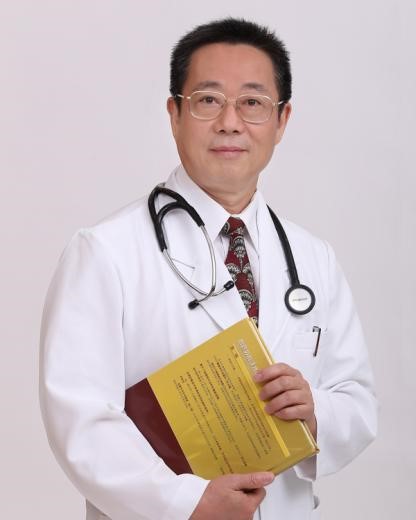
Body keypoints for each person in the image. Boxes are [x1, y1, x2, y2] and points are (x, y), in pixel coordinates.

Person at [40, 18, 377, 520]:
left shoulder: (314, 257)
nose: (230, 122)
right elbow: (81, 420)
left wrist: (315, 410)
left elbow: (356, 400)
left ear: (282, 120)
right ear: (174, 113)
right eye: (208, 100)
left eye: (253, 103)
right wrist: (185, 502)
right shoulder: (105, 251)